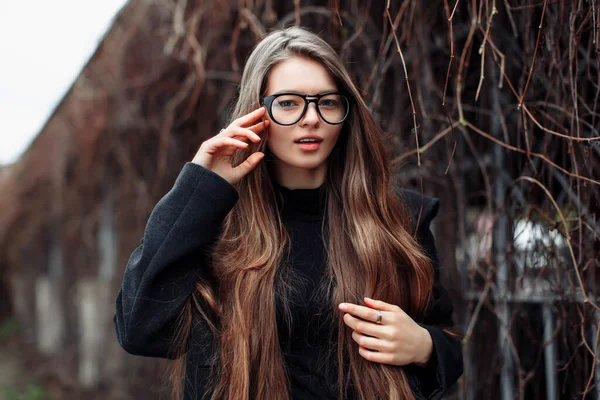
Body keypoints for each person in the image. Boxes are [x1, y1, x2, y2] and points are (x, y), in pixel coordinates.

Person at [114, 26, 463, 400]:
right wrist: (198, 186)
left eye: (327, 102)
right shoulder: (212, 225)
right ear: (255, 113)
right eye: (288, 103)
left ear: (346, 115)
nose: (310, 118)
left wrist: (426, 347)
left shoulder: (397, 219)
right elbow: (139, 329)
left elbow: (448, 344)